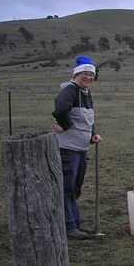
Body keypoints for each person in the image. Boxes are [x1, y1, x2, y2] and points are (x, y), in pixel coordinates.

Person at [52, 55, 103, 240]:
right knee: (67, 188)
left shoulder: (85, 93)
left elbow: (87, 118)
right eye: (85, 74)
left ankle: (77, 224)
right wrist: (64, 125)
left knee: (75, 189)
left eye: (91, 74)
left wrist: (92, 135)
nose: (88, 77)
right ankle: (69, 227)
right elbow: (60, 109)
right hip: (67, 149)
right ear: (76, 74)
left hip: (81, 149)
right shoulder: (71, 89)